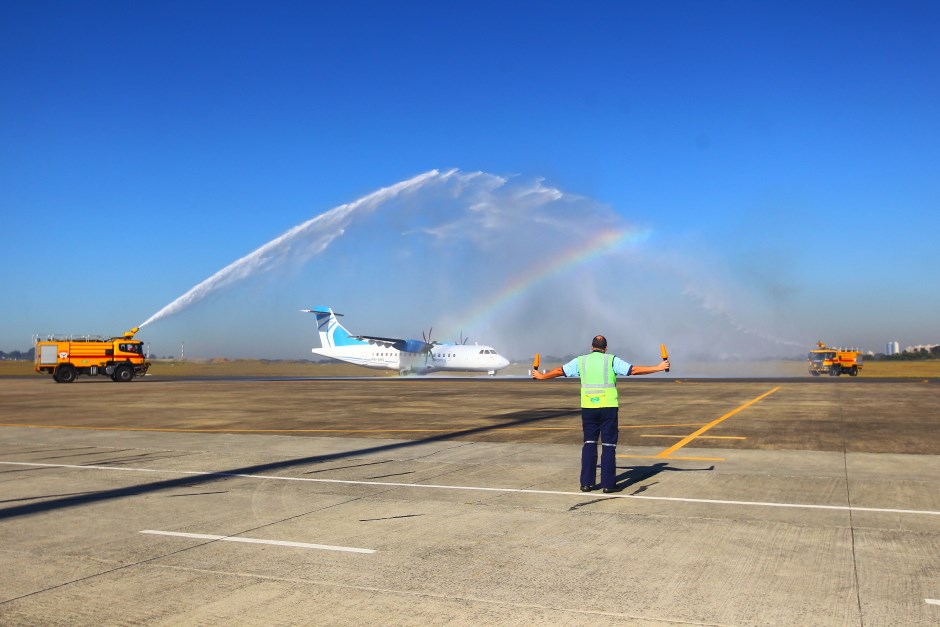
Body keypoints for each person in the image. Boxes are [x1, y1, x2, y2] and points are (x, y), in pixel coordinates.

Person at [532, 335, 670, 493]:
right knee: (608, 445)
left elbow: (559, 371)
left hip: (588, 407)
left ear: (591, 347)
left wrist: (542, 376)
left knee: (589, 443)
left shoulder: (581, 360)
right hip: (608, 407)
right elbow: (633, 370)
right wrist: (658, 367)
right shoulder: (611, 360)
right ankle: (608, 484)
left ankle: (586, 483)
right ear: (606, 348)